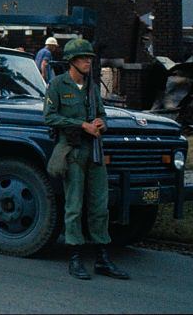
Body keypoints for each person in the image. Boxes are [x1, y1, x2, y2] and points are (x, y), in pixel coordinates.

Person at [44, 38, 129, 281]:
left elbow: (101, 113)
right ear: (72, 61)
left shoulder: (92, 87)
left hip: (95, 151)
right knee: (74, 206)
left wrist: (102, 123)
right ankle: (75, 258)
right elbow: (49, 117)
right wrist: (81, 125)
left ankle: (102, 258)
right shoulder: (58, 85)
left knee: (99, 206)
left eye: (90, 58)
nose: (88, 62)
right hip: (73, 151)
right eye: (83, 58)